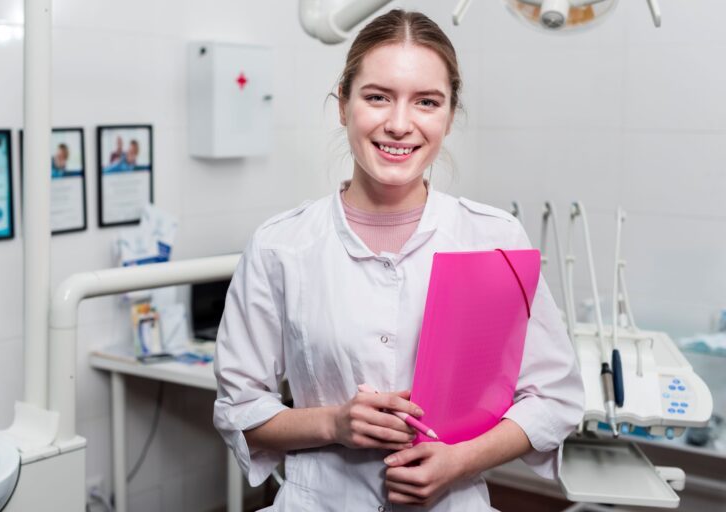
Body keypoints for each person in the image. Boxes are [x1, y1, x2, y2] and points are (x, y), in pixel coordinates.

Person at [213, 10, 584, 511]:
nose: (399, 124)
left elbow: (554, 398)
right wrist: (334, 423)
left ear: (450, 115)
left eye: (426, 102)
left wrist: (462, 461)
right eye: (377, 97)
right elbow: (238, 408)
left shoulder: (494, 238)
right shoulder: (281, 245)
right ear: (343, 105)